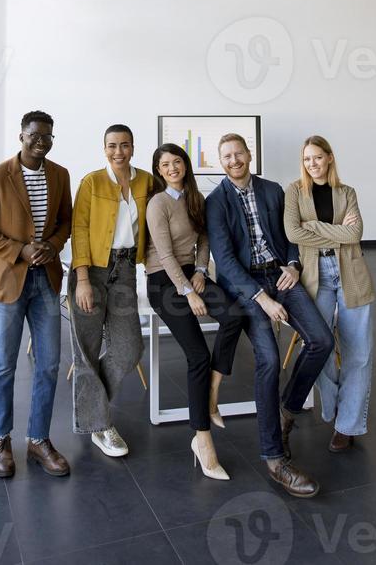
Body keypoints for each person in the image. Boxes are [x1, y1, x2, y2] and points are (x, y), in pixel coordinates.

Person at [205, 133, 334, 498]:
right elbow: (225, 261)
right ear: (222, 162)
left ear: (249, 155)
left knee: (322, 340)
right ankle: (275, 459)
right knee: (269, 358)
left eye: (238, 154)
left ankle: (287, 411)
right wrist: (261, 297)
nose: (234, 160)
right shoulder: (216, 202)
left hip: (282, 274)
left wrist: (293, 264)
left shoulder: (273, 190)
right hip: (246, 286)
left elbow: (290, 233)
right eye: (226, 156)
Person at [0, 110, 72, 479]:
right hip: (9, 281)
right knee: (3, 365)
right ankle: (2, 440)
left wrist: (52, 247)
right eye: (34, 135)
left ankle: (39, 440)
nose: (40, 141)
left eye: (47, 136)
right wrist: (20, 250)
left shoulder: (60, 174)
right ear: (21, 136)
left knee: (48, 365)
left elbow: (65, 222)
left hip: (45, 281)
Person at [145, 143, 243, 480]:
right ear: (159, 170)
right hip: (163, 280)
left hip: (192, 274)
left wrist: (201, 272)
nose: (172, 168)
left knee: (234, 315)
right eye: (165, 164)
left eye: (176, 162)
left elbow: (204, 241)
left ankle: (212, 393)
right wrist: (187, 292)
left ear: (185, 165)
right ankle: (202, 440)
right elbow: (165, 253)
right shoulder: (158, 203)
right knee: (198, 355)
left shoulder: (195, 198)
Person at [284, 135, 375, 453]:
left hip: (351, 273)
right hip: (315, 275)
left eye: (318, 158)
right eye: (307, 159)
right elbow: (293, 232)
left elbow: (356, 234)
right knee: (319, 347)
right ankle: (335, 406)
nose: (313, 164)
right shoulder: (295, 191)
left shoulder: (347, 192)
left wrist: (314, 227)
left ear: (330, 158)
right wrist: (336, 233)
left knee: (359, 355)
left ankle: (346, 425)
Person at [69, 124, 154, 456]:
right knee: (86, 351)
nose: (118, 152)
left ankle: (91, 408)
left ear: (133, 147)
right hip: (91, 270)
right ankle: (101, 426)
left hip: (126, 270)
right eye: (112, 146)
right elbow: (79, 230)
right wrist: (84, 279)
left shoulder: (147, 181)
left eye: (125, 145)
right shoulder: (91, 181)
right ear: (103, 148)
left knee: (130, 348)